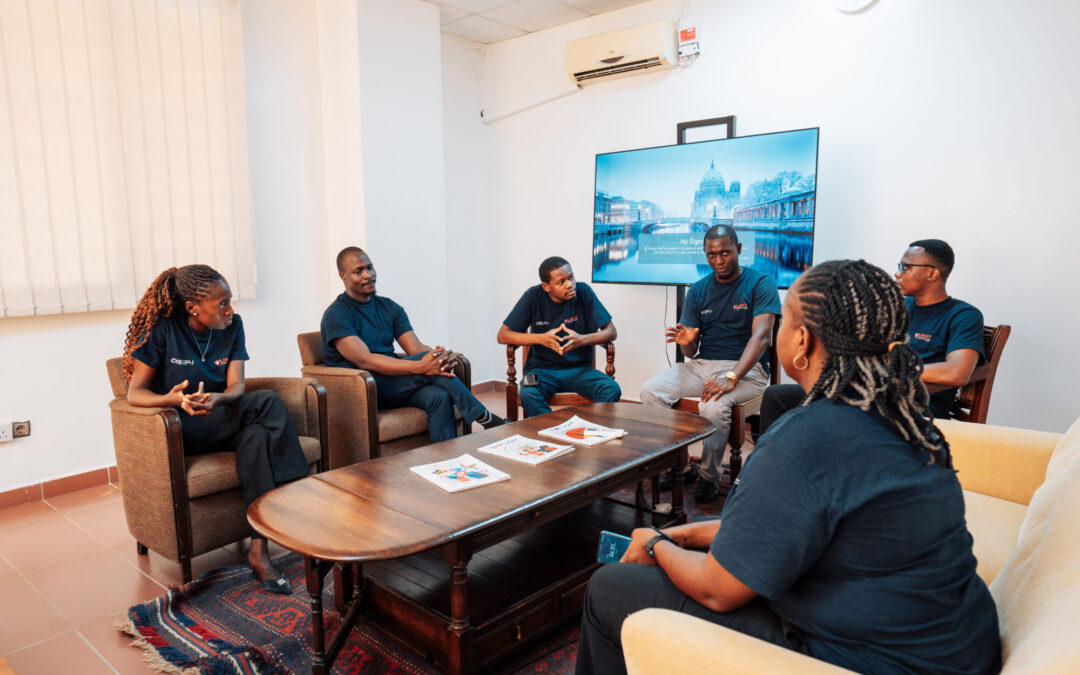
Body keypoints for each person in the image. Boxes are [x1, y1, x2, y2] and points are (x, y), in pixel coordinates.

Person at [576, 259, 1001, 675]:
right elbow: (786, 526)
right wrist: (681, 534)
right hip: (957, 645)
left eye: (786, 320)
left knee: (611, 587)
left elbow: (717, 589)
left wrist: (653, 543)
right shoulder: (904, 416)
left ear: (802, 341)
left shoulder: (806, 438)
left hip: (875, 660)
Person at [123, 265, 310, 594]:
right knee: (267, 400)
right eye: (222, 303)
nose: (229, 309)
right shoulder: (163, 331)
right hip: (181, 429)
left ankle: (259, 551)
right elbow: (134, 393)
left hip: (221, 418)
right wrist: (170, 399)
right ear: (193, 307)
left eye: (230, 300)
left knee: (256, 436)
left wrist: (220, 398)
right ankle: (300, 502)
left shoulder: (233, 326)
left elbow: (237, 386)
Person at [759, 238, 985, 433]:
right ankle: (769, 466)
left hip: (913, 406)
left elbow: (957, 372)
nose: (897, 273)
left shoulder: (963, 315)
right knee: (777, 396)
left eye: (905, 267)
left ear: (932, 273)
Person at [639, 225, 781, 502]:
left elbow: (762, 337)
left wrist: (732, 376)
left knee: (713, 407)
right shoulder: (698, 290)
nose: (719, 260)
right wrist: (686, 342)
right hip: (703, 365)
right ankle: (679, 465)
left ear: (738, 249)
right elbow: (691, 351)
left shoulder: (761, 283)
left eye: (725, 253)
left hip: (748, 370)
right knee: (650, 391)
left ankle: (709, 476)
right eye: (711, 255)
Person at [321, 247, 506, 440]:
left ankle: (447, 454)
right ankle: (487, 419)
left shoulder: (390, 307)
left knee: (437, 396)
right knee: (427, 363)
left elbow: (415, 348)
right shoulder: (336, 314)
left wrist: (439, 358)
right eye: (358, 271)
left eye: (370, 267)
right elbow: (365, 360)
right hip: (363, 389)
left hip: (393, 382)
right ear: (343, 276)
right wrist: (422, 365)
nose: (368, 275)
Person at [497, 257, 620, 416]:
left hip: (580, 371)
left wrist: (581, 340)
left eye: (571, 277)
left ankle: (587, 426)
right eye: (561, 282)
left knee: (611, 389)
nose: (570, 284)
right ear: (546, 286)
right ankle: (555, 426)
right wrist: (541, 338)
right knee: (528, 394)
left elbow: (611, 332)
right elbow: (503, 335)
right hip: (541, 371)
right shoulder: (533, 296)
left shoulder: (584, 292)